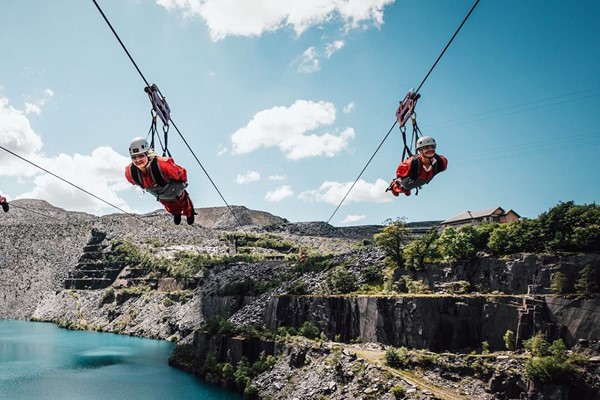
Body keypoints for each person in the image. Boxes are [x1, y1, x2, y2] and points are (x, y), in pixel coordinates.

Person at [125, 137, 196, 225]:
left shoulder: (163, 165)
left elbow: (182, 174)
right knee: (168, 204)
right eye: (134, 157)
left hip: (173, 189)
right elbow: (132, 181)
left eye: (141, 156)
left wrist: (182, 185)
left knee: (182, 200)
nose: (137, 160)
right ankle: (176, 212)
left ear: (147, 154)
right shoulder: (130, 172)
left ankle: (189, 212)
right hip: (161, 195)